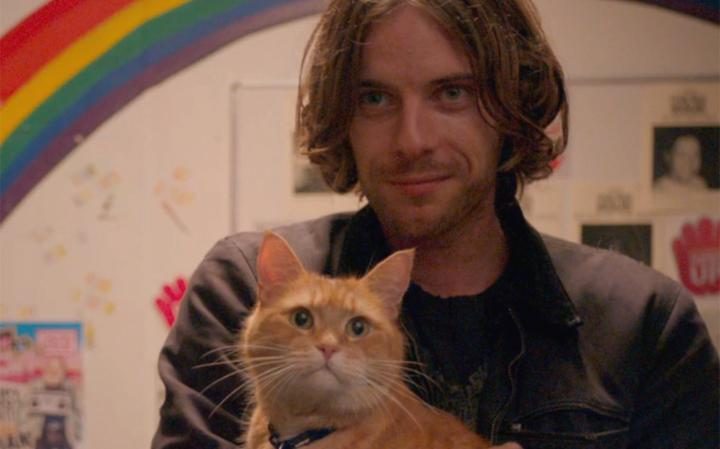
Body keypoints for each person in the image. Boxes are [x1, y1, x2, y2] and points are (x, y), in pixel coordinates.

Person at [152, 1, 720, 448]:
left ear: (512, 106)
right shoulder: (240, 286)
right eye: (375, 99)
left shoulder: (644, 325)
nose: (412, 140)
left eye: (452, 93)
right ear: (342, 116)